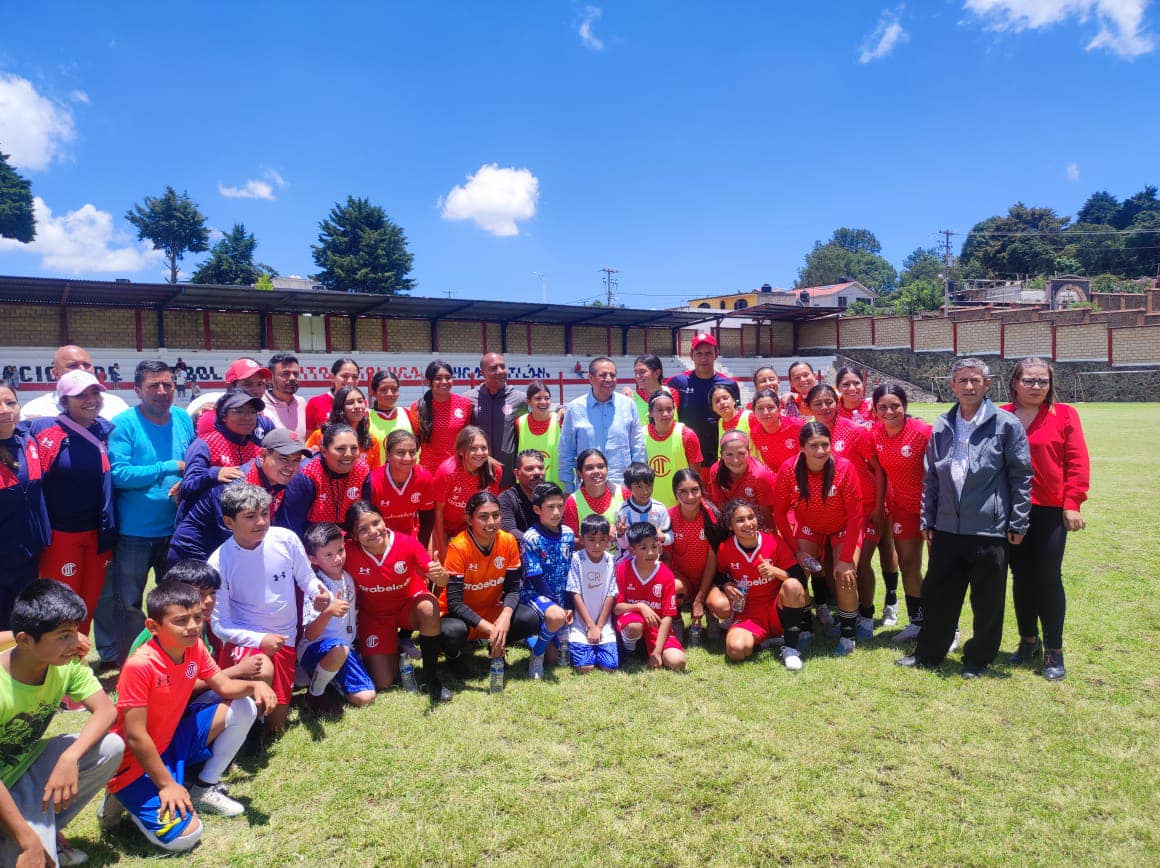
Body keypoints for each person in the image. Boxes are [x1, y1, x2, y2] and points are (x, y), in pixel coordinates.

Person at [102, 582, 277, 853]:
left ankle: (203, 787)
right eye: (181, 621)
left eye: (197, 617)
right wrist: (167, 785)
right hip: (135, 761)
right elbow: (135, 736)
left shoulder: (194, 647)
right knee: (186, 836)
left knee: (244, 706)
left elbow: (224, 686)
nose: (193, 626)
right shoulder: (140, 665)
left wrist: (255, 685)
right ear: (153, 626)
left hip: (170, 743)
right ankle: (119, 795)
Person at [898, 358, 1031, 678]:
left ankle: (978, 659)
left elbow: (1021, 476)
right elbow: (931, 477)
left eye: (975, 380)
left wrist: (1018, 520)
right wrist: (927, 519)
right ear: (952, 386)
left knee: (987, 601)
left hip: (988, 528)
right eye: (962, 381)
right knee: (939, 595)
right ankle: (929, 653)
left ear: (987, 384)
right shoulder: (943, 424)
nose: (969, 386)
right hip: (946, 528)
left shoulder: (1005, 424)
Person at [0, 581, 124, 868]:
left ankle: (41, 829)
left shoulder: (65, 664)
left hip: (19, 773)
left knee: (110, 746)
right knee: (37, 858)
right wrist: (27, 841)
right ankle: (27, 834)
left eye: (76, 631)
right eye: (63, 635)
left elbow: (106, 711)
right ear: (25, 640)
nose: (77, 643)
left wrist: (70, 757)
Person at [97, 361, 195, 668]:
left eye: (168, 384)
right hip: (134, 533)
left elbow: (192, 462)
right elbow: (120, 474)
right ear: (137, 389)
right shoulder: (124, 423)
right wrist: (168, 467)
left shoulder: (181, 417)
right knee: (128, 603)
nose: (163, 391)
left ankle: (174, 655)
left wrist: (185, 480)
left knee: (175, 600)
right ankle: (133, 662)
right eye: (154, 385)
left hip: (175, 530)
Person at [208, 484, 327, 735]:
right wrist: (260, 639)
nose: (261, 521)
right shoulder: (219, 561)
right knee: (262, 669)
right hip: (247, 642)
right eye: (250, 516)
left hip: (285, 639)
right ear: (229, 522)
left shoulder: (285, 538)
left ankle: (254, 725)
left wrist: (319, 593)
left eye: (265, 513)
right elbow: (219, 625)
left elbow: (306, 578)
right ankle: (241, 730)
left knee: (275, 729)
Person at [1001, 357, 1090, 681]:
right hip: (1010, 511)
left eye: (1042, 381)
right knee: (1021, 576)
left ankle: (1054, 650)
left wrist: (1073, 503)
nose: (1036, 386)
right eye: (1029, 380)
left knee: (1048, 578)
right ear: (1015, 382)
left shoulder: (1064, 415)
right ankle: (1028, 641)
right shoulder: (1001, 414)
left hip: (1050, 509)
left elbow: (1076, 461)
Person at [28, 370, 117, 636]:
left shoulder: (105, 430)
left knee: (87, 604)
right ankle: (55, 668)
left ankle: (76, 664)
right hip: (60, 537)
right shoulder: (45, 432)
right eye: (80, 395)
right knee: (61, 607)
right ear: (64, 401)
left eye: (94, 393)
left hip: (99, 536)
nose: (90, 399)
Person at [807, 383, 892, 639]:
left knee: (860, 563)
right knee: (835, 566)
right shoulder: (810, 433)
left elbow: (879, 470)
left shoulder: (854, 431)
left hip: (865, 508)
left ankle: (866, 615)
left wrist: (878, 507)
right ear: (809, 407)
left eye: (829, 401)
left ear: (837, 402)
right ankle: (848, 616)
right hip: (834, 512)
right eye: (818, 403)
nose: (825, 407)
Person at [772, 422, 864, 655]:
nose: (820, 451)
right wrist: (797, 551)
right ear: (802, 447)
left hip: (843, 527)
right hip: (810, 527)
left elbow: (855, 516)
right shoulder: (788, 469)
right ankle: (804, 627)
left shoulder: (844, 467)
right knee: (798, 573)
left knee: (845, 575)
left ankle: (847, 635)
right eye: (814, 446)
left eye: (825, 445)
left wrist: (844, 559)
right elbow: (780, 513)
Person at [342, 502, 449, 701]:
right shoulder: (348, 552)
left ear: (384, 521)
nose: (373, 531)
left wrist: (440, 575)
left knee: (429, 606)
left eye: (376, 522)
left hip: (407, 607)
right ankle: (397, 646)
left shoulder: (406, 543)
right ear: (354, 536)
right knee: (384, 682)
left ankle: (431, 678)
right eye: (363, 529)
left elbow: (442, 580)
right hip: (375, 617)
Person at [439, 492, 545, 688]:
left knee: (530, 618)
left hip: (492, 610)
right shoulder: (459, 547)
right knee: (451, 632)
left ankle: (494, 646)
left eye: (496, 515)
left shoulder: (507, 541)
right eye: (483, 516)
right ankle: (455, 656)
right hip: (461, 616)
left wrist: (504, 618)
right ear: (469, 519)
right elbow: (454, 603)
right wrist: (490, 629)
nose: (491, 522)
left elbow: (513, 589)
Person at [123, 560, 275, 692]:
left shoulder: (198, 624)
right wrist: (237, 671)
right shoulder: (159, 633)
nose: (209, 600)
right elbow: (177, 687)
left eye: (212, 593)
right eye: (200, 594)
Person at [168, 430, 310, 565]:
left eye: (296, 461)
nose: (290, 467)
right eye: (283, 459)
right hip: (194, 555)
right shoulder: (236, 486)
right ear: (263, 454)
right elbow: (236, 541)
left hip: (224, 552)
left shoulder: (278, 482)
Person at [712, 499, 811, 671]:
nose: (748, 523)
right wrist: (726, 585)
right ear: (730, 526)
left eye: (751, 517)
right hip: (749, 613)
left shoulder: (773, 541)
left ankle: (791, 649)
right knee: (735, 651)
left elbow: (800, 578)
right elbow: (718, 576)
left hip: (777, 609)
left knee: (793, 586)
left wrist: (775, 571)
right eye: (740, 520)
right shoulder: (725, 549)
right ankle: (766, 640)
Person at [870, 385, 932, 641]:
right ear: (874, 410)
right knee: (908, 565)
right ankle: (917, 622)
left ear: (904, 406)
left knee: (940, 569)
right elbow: (880, 473)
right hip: (903, 509)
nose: (889, 411)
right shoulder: (875, 434)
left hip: (933, 510)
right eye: (882, 407)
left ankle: (946, 626)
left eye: (894, 405)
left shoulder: (923, 432)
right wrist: (878, 506)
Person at [298, 523, 376, 715]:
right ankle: (314, 694)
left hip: (344, 649)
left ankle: (327, 677)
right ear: (313, 559)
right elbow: (310, 632)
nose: (338, 558)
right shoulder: (314, 587)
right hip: (314, 649)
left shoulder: (347, 577)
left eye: (340, 550)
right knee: (339, 648)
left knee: (366, 698)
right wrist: (328, 611)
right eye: (328, 555)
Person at [0, 384, 50, 628]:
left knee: (25, 622)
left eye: (10, 403)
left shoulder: (28, 440)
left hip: (29, 555)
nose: (4, 410)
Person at [559, 357, 646, 492]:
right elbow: (566, 452)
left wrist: (637, 483)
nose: (609, 379)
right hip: (587, 489)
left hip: (622, 488)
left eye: (612, 375)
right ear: (590, 378)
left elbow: (638, 447)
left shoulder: (628, 405)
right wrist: (569, 489)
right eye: (603, 375)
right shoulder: (575, 408)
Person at [614, 523, 686, 671]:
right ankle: (629, 652)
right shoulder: (623, 569)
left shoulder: (666, 574)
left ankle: (648, 650)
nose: (651, 552)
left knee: (678, 661)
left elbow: (667, 616)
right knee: (634, 626)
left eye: (654, 546)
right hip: (633, 621)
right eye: (644, 548)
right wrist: (640, 606)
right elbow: (616, 608)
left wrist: (658, 652)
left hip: (656, 628)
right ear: (632, 550)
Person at [519, 482, 573, 678]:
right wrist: (558, 606)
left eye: (560, 505)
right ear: (537, 509)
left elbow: (569, 572)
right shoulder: (531, 537)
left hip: (559, 598)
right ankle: (536, 654)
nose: (557, 512)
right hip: (536, 595)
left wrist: (568, 604)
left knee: (560, 656)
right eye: (550, 507)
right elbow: (535, 577)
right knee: (556, 617)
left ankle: (532, 640)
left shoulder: (568, 534)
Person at [279, 424, 372, 536]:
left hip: (348, 536)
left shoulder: (362, 470)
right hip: (311, 538)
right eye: (340, 449)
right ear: (323, 451)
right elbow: (291, 525)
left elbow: (364, 514)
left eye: (354, 448)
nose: (348, 454)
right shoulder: (307, 475)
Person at [665, 333, 737, 469]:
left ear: (716, 354)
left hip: (720, 458)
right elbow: (656, 396)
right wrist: (630, 392)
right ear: (691, 355)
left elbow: (737, 418)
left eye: (708, 353)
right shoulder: (677, 382)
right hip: (686, 457)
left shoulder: (729, 385)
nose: (703, 358)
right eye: (699, 353)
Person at [180, 391, 266, 504]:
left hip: (242, 518)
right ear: (223, 416)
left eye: (252, 412)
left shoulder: (256, 450)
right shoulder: (205, 444)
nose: (247, 417)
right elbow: (187, 487)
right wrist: (214, 473)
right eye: (239, 411)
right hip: (205, 519)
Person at [664, 469, 721, 636]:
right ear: (675, 494)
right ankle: (675, 619)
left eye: (694, 490)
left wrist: (700, 599)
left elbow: (713, 560)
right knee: (673, 586)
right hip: (682, 580)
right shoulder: (668, 517)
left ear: (701, 491)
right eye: (683, 491)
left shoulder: (712, 517)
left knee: (722, 607)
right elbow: (666, 558)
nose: (690, 497)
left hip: (707, 579)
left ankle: (712, 615)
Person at [432, 425, 503, 560]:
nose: (480, 453)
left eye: (483, 448)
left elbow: (491, 509)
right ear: (461, 451)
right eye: (473, 448)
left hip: (473, 528)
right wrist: (442, 546)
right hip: (446, 528)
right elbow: (437, 511)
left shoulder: (494, 470)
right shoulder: (447, 472)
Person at [566, 515, 619, 674]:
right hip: (581, 625)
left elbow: (611, 595)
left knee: (609, 667)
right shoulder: (576, 559)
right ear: (582, 539)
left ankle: (600, 647)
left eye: (602, 540)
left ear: (609, 540)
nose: (597, 545)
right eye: (591, 539)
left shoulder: (611, 561)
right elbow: (575, 594)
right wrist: (590, 626)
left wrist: (599, 627)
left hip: (604, 625)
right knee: (585, 668)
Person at [464, 353, 527, 487]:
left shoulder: (520, 399)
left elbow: (542, 412)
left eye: (502, 367)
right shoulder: (468, 399)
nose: (500, 371)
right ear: (483, 373)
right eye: (493, 368)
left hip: (507, 477)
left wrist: (561, 411)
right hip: (478, 474)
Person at [20, 345, 129, 421]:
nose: (82, 370)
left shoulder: (116, 406)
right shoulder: (35, 409)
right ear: (56, 373)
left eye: (86, 365)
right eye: (73, 366)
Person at [362, 429, 435, 542]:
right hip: (379, 541)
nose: (407, 458)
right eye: (401, 452)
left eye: (412, 452)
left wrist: (421, 548)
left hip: (408, 540)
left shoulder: (424, 477)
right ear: (388, 455)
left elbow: (427, 520)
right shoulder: (372, 482)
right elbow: (367, 523)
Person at [409, 360, 473, 474]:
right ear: (428, 381)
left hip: (458, 470)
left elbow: (468, 438)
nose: (444, 381)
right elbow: (414, 442)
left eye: (448, 377)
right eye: (438, 378)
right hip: (428, 472)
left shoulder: (465, 404)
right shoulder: (417, 408)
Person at [705, 430, 775, 531]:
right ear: (722, 455)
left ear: (749, 452)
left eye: (741, 453)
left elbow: (766, 515)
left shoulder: (760, 476)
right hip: (734, 524)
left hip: (757, 526)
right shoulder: (715, 471)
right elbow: (722, 506)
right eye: (729, 454)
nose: (736, 460)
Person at [643, 390, 702, 509]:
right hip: (650, 507)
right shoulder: (640, 435)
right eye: (659, 410)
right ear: (650, 413)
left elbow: (696, 475)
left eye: (669, 409)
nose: (665, 414)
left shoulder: (687, 435)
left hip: (682, 507)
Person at [304, 385, 384, 470]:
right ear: (340, 408)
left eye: (360, 401)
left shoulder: (371, 441)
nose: (357, 406)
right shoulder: (320, 436)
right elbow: (306, 465)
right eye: (350, 403)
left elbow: (373, 475)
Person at [191, 358, 275, 438]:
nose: (256, 390)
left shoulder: (265, 422)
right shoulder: (211, 418)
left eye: (260, 384)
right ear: (230, 387)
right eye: (247, 384)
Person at [614, 462, 674, 559]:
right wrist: (621, 534)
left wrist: (663, 538)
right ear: (629, 487)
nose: (645, 491)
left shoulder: (660, 508)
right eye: (639, 487)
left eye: (649, 486)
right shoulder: (622, 512)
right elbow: (623, 545)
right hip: (629, 562)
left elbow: (671, 537)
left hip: (653, 562)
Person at [563, 448, 628, 537]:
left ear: (607, 469)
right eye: (589, 468)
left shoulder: (624, 494)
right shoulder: (572, 502)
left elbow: (639, 530)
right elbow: (569, 541)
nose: (596, 471)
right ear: (580, 473)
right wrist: (599, 534)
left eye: (601, 466)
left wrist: (621, 532)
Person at [514, 381, 562, 489]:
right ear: (529, 402)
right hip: (528, 486)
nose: (543, 402)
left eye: (547, 398)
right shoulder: (519, 423)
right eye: (538, 398)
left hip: (556, 486)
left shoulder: (560, 420)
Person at [749, 388, 803, 475]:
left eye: (770, 407)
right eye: (760, 408)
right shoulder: (755, 433)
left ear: (779, 409)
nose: (766, 412)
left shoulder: (797, 426)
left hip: (799, 476)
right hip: (775, 479)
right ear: (754, 412)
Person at [498, 449, 547, 543]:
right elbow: (509, 532)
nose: (537, 472)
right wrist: (539, 544)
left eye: (540, 468)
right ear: (517, 473)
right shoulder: (506, 499)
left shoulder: (551, 496)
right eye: (529, 468)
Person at [305, 357, 361, 436]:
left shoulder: (361, 404)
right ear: (332, 377)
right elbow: (309, 437)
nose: (350, 381)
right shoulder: (315, 403)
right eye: (344, 376)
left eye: (355, 377)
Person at [620, 354, 679, 427]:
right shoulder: (630, 398)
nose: (637, 376)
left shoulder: (673, 393)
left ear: (657, 373)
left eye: (642, 372)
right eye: (636, 373)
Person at [367, 370, 412, 464]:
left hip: (408, 476)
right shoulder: (365, 417)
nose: (390, 394)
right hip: (377, 476)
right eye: (384, 389)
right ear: (374, 393)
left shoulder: (409, 414)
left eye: (394, 389)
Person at [263, 352, 308, 442]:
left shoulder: (302, 403)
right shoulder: (260, 406)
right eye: (285, 374)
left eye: (295, 374)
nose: (292, 378)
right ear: (269, 379)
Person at [711, 382, 754, 449]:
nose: (722, 402)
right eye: (717, 401)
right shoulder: (720, 422)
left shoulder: (750, 417)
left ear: (734, 400)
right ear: (713, 408)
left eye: (725, 398)